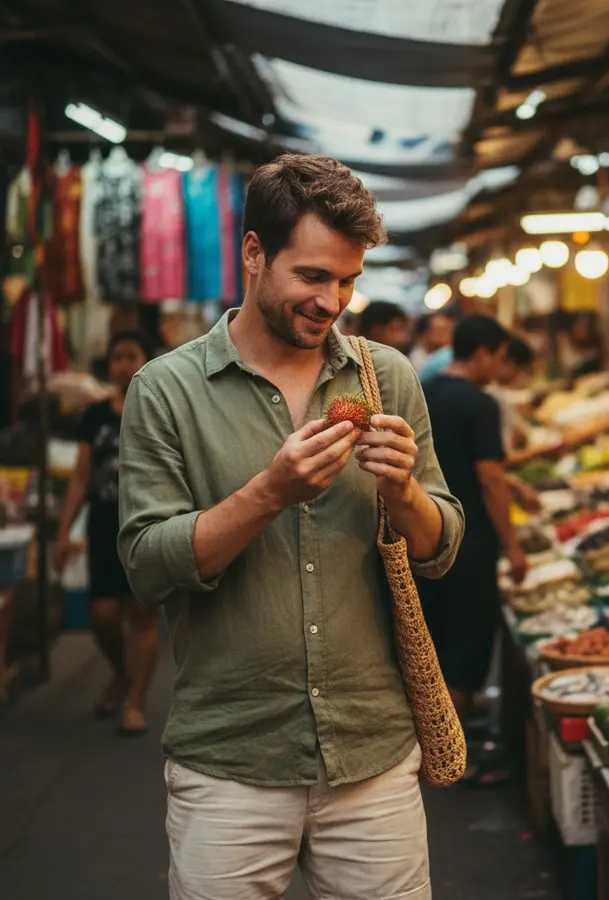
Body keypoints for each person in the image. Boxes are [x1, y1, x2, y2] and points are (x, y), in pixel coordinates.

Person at [117, 154, 464, 900]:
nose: (331, 300)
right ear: (253, 252)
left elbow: (441, 547)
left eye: (347, 280)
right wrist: (269, 492)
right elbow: (147, 564)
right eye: (312, 276)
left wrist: (404, 491)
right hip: (230, 761)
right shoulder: (166, 390)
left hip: (373, 752)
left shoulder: (385, 377)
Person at [418, 316, 527, 735]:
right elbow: (489, 478)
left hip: (426, 534)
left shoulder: (424, 391)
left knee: (437, 641)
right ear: (482, 354)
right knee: (468, 645)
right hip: (470, 539)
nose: (498, 368)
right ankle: (452, 747)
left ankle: (438, 735)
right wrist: (512, 546)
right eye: (498, 358)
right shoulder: (481, 404)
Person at [54, 331, 159, 736]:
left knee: (143, 614)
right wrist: (63, 531)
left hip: (147, 521)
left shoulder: (158, 408)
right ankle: (121, 673)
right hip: (103, 523)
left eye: (132, 356)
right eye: (117, 357)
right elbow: (82, 475)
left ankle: (134, 701)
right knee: (103, 616)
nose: (124, 365)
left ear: (146, 360)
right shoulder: (95, 415)